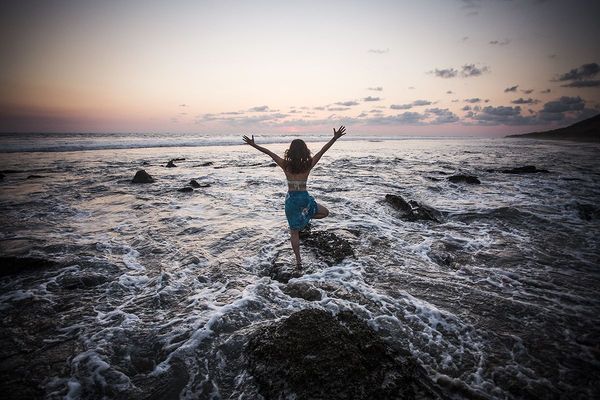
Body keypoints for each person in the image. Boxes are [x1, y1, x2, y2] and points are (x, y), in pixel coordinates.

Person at [242, 126, 347, 267]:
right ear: (305, 150)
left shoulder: (285, 165)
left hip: (291, 200)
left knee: (294, 232)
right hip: (304, 198)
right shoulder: (308, 164)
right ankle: (305, 218)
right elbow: (323, 151)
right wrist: (334, 138)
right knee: (325, 212)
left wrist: (253, 145)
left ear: (290, 151)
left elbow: (269, 153)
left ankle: (298, 262)